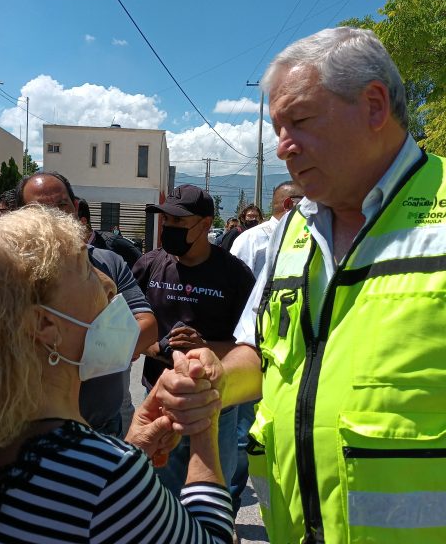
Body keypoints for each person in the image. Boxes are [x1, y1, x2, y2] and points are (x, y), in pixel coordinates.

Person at [157, 27, 446, 544]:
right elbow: (261, 356)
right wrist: (212, 378)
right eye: (277, 129)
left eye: (300, 121)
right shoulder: (293, 231)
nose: (283, 146)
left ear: (374, 105)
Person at [0, 205, 234, 543]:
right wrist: (204, 420)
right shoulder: (101, 476)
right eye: (86, 270)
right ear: (45, 325)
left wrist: (131, 449)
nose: (108, 285)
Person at [133, 184, 256, 500]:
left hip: (216, 404)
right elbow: (125, 330)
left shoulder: (235, 275)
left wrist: (204, 348)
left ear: (205, 225)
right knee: (160, 496)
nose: (169, 230)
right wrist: (160, 347)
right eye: (167, 222)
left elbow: (254, 345)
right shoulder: (148, 266)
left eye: (179, 223)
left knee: (213, 491)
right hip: (160, 398)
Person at [16, 172, 157, 437]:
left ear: (76, 207)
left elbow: (147, 328)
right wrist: (116, 342)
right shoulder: (8, 269)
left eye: (62, 206)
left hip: (104, 423)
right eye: (40, 210)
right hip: (30, 427)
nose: (55, 217)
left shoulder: (108, 262)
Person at [227, 180, 302, 516]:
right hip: (252, 353)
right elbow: (239, 299)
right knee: (245, 433)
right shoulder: (251, 241)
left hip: (292, 363)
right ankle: (230, 500)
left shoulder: (311, 237)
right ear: (289, 205)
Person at [78, 197, 143, 268]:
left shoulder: (113, 243)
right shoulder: (68, 251)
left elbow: (142, 266)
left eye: (67, 220)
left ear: (83, 221)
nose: (63, 226)